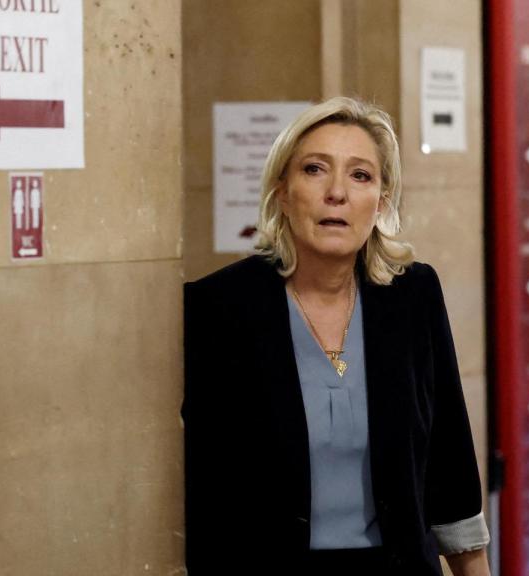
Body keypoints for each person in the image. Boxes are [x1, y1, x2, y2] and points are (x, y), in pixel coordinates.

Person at [183, 97, 490, 575]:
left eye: (360, 175)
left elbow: (449, 458)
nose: (337, 193)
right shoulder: (219, 307)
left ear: (381, 203)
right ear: (282, 193)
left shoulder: (412, 296)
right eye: (314, 170)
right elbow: (200, 486)